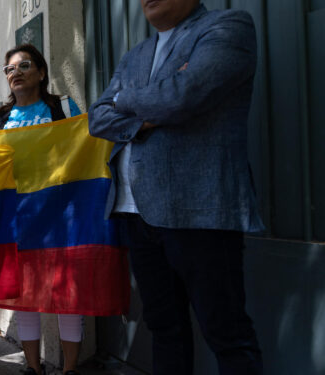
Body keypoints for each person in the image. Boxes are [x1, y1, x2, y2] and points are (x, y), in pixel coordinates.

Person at [88, 1, 263, 374]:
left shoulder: (227, 26)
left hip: (200, 211)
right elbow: (97, 118)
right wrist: (145, 110)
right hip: (136, 214)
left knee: (227, 333)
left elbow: (183, 95)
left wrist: (125, 98)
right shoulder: (136, 54)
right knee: (165, 329)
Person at [0, 44, 83, 375]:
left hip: (60, 216)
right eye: (9, 69)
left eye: (24, 65)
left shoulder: (62, 107)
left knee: (66, 295)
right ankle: (33, 367)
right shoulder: (0, 117)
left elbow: (82, 146)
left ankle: (70, 369)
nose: (15, 72)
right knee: (25, 295)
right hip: (18, 217)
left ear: (42, 73)